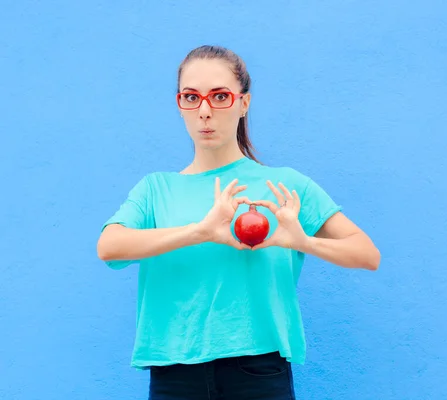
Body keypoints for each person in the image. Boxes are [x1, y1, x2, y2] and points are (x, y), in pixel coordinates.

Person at [97, 45, 380, 400]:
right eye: (191, 97)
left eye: (219, 96)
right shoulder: (156, 189)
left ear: (243, 103)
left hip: (258, 372)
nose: (204, 111)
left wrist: (302, 242)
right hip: (174, 376)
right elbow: (110, 247)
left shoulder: (285, 185)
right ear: (179, 104)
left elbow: (367, 254)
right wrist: (201, 231)